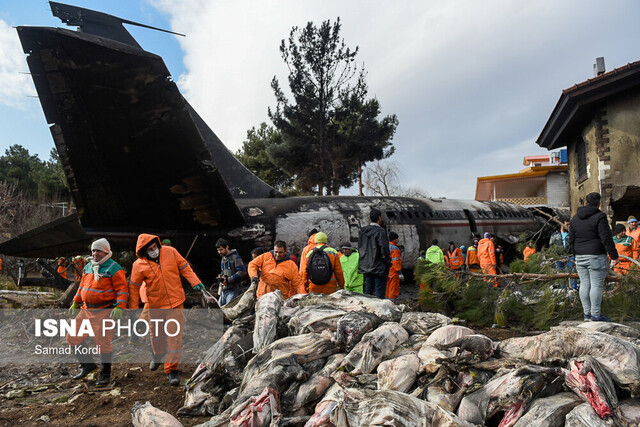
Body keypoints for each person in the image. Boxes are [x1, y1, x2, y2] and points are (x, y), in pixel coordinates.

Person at [129, 234, 205, 386]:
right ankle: (157, 355)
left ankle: (171, 369)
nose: (154, 251)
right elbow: (134, 287)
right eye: (150, 250)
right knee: (156, 335)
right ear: (144, 252)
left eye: (154, 247)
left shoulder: (170, 252)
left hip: (176, 302)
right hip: (155, 305)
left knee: (174, 337)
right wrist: (133, 310)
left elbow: (184, 266)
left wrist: (195, 282)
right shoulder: (138, 265)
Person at [67, 238, 127, 386]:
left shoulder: (114, 268)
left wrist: (120, 307)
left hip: (104, 311)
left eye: (98, 250)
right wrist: (76, 301)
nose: (95, 253)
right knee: (72, 337)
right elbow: (82, 286)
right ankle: (88, 365)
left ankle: (105, 374)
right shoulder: (88, 267)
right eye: (93, 250)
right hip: (86, 310)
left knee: (103, 343)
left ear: (106, 251)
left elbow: (122, 289)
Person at [569, 192, 619, 322]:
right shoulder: (600, 217)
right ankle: (595, 315)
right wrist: (614, 256)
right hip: (596, 256)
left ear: (585, 203)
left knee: (584, 284)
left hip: (580, 257)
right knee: (596, 285)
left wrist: (576, 255)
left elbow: (571, 240)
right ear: (599, 204)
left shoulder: (575, 219)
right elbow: (606, 238)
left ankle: (587, 315)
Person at [358, 209, 391, 299]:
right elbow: (384, 249)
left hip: (366, 266)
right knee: (379, 292)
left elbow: (360, 247)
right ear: (379, 218)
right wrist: (388, 263)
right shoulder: (380, 231)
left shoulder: (363, 232)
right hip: (379, 266)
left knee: (368, 291)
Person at [215, 238, 248, 306]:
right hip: (224, 290)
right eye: (218, 250)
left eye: (221, 249)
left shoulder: (235, 257)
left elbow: (242, 272)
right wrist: (221, 276)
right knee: (220, 310)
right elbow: (223, 271)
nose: (219, 252)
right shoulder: (223, 259)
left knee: (229, 310)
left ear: (227, 247)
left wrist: (228, 280)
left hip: (233, 290)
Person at [387, 232, 402, 299]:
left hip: (387, 271)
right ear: (394, 239)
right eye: (397, 238)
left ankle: (387, 301)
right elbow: (395, 261)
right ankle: (392, 302)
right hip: (393, 271)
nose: (398, 240)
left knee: (388, 287)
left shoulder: (387, 246)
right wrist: (399, 271)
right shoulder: (395, 248)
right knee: (393, 288)